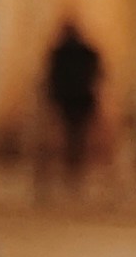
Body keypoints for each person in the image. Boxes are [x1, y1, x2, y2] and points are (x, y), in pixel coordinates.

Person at [37, 15, 107, 184]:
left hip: (67, 100)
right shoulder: (85, 52)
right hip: (80, 99)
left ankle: (72, 167)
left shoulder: (59, 53)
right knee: (77, 135)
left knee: (70, 134)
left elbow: (50, 76)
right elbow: (99, 73)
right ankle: (74, 167)